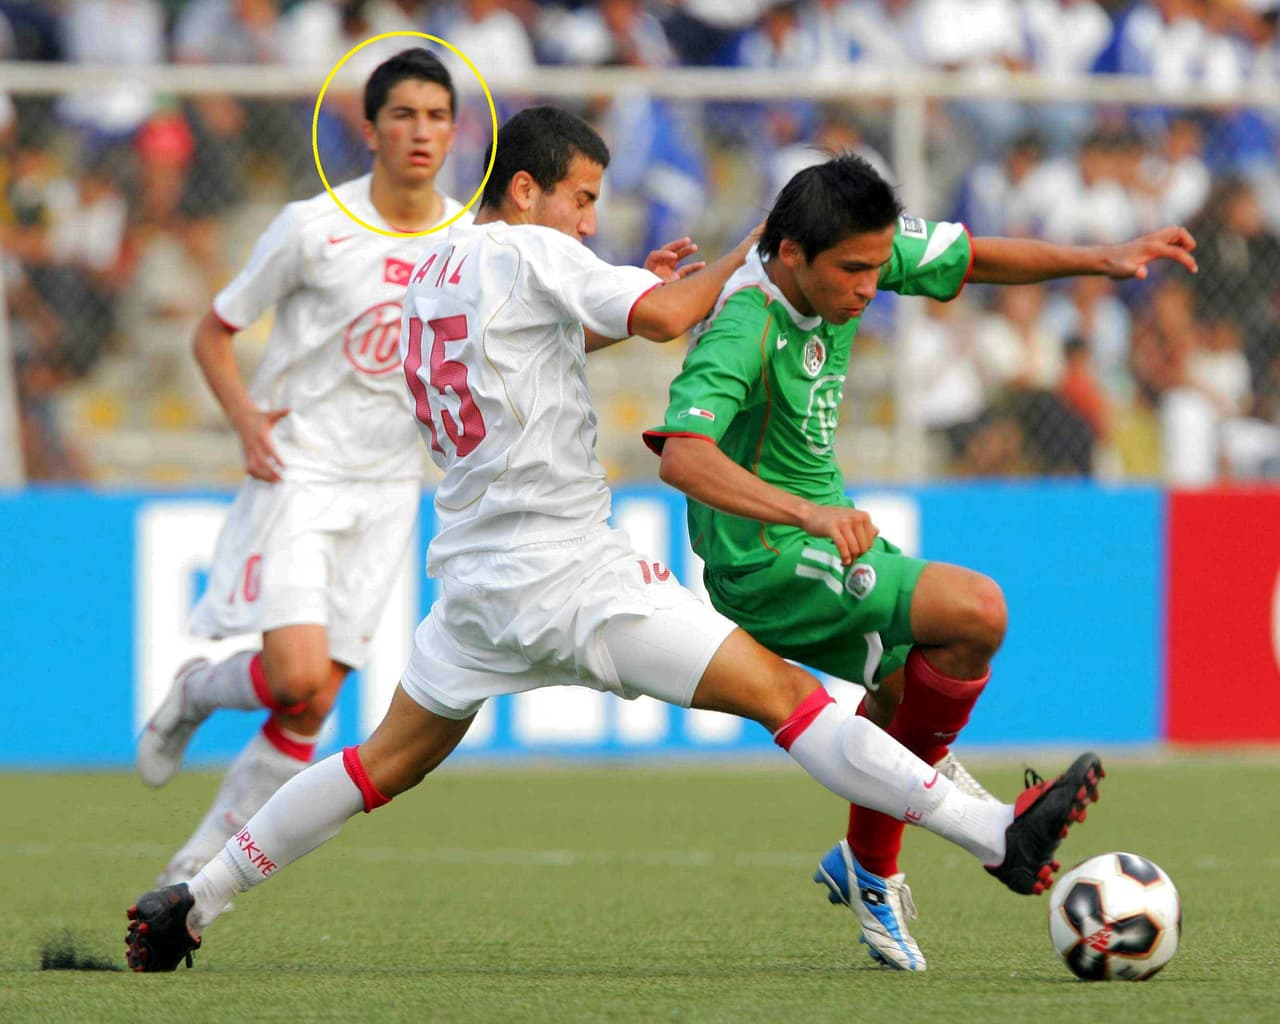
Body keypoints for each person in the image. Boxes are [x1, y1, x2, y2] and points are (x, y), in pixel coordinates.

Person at [125, 107, 1105, 973]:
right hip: (571, 569)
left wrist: (631, 301)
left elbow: (540, 339)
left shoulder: (430, 275)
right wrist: (747, 246)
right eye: (581, 198)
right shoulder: (531, 248)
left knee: (380, 761)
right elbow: (674, 315)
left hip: (472, 584)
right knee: (785, 696)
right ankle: (991, 835)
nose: (589, 223)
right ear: (524, 187)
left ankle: (197, 897)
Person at [643, 153, 1198, 971]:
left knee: (909, 694)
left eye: (878, 267)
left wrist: (1102, 258)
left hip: (827, 537)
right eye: (855, 272)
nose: (871, 288)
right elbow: (681, 457)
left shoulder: (847, 248)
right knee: (977, 610)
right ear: (791, 254)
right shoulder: (744, 325)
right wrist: (807, 512)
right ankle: (989, 840)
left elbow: (971, 256)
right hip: (767, 560)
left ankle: (868, 870)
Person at [134, 48, 471, 887]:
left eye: (435, 116)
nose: (420, 131)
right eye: (403, 115)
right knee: (291, 676)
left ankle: (193, 867)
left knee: (313, 701)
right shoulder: (312, 226)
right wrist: (245, 417)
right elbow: (215, 329)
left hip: (392, 490)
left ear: (456, 131)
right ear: (369, 129)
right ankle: (197, 691)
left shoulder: (472, 239)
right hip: (301, 473)